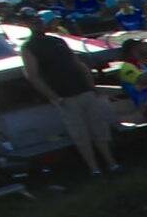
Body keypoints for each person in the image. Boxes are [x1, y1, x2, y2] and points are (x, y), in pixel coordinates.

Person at [18, 14, 118, 175]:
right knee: (80, 135)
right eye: (33, 21)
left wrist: (91, 85)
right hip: (65, 96)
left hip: (84, 90)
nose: (37, 24)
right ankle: (95, 169)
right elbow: (33, 76)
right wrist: (54, 96)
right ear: (27, 25)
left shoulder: (57, 40)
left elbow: (77, 63)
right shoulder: (29, 47)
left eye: (39, 20)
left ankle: (112, 164)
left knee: (99, 129)